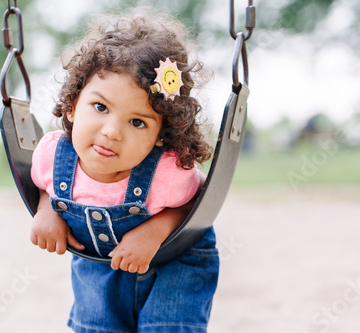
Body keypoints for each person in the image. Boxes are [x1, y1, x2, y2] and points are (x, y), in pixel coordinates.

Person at [30, 10, 219, 333]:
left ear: (161, 134)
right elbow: (46, 186)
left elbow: (195, 206)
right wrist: (46, 208)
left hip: (173, 262)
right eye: (100, 108)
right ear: (73, 104)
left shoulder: (166, 170)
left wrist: (155, 231)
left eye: (137, 122)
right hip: (102, 266)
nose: (112, 132)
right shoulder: (51, 155)